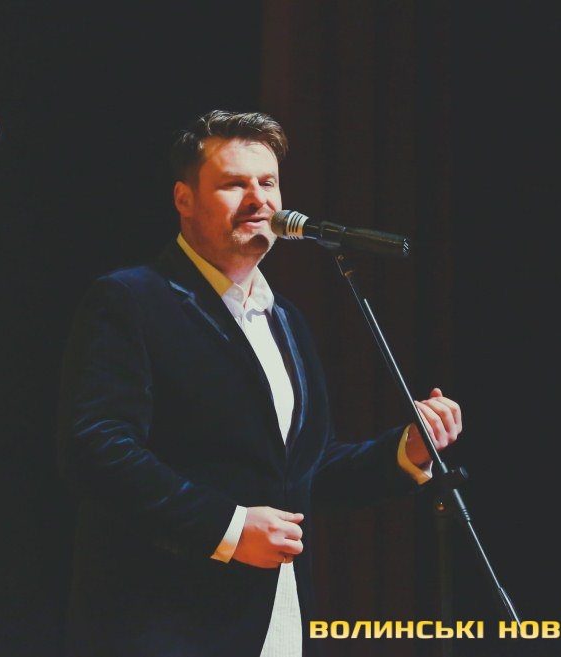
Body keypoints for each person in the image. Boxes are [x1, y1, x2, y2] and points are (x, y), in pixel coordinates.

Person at [56, 109, 463, 657]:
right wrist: (227, 529)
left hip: (277, 622)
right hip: (166, 624)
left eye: (268, 183)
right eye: (234, 184)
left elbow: (302, 474)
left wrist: (405, 452)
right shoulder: (132, 300)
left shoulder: (285, 318)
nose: (258, 200)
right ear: (183, 199)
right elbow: (96, 449)